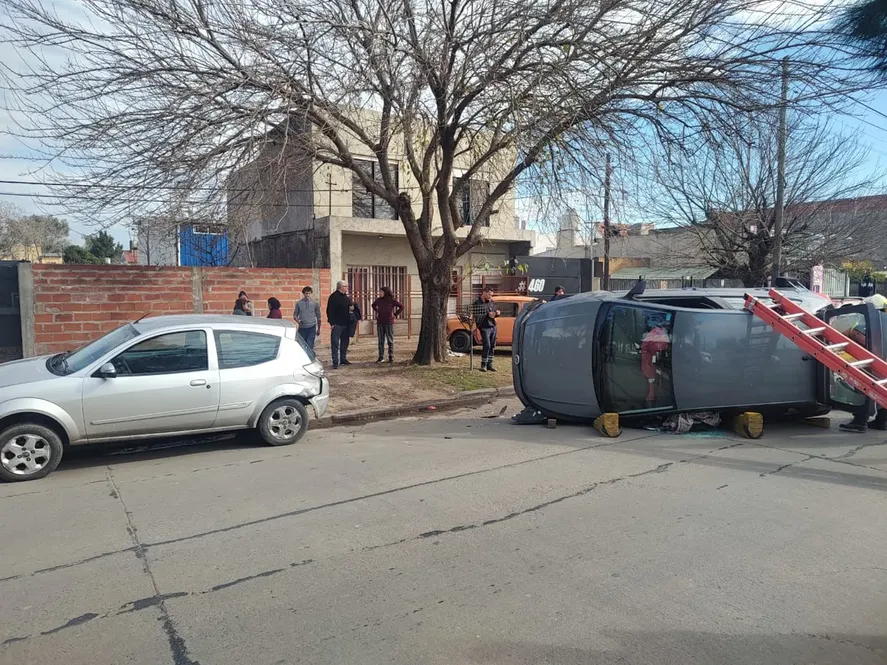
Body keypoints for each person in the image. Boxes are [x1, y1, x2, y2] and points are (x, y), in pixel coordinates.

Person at [372, 286, 403, 363]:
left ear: (385, 292)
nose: (380, 293)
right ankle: (381, 357)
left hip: (389, 323)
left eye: (381, 292)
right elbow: (373, 305)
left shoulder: (391, 300)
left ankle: (391, 357)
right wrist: (377, 311)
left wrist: (395, 314)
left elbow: (401, 307)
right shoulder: (379, 300)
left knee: (390, 340)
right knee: (380, 340)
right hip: (380, 323)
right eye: (380, 292)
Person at [472, 285, 500, 372]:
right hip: (484, 326)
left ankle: (490, 364)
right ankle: (483, 364)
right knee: (486, 345)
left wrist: (497, 313)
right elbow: (476, 316)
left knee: (492, 345)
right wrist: (488, 315)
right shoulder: (477, 302)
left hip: (493, 326)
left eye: (491, 295)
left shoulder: (491, 302)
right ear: (484, 292)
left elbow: (495, 311)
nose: (490, 297)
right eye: (489, 295)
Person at [327, 280, 353, 369]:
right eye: (345, 286)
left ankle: (343, 359)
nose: (347, 288)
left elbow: (350, 307)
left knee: (345, 342)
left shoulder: (346, 297)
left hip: (346, 324)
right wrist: (331, 322)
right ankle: (335, 361)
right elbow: (329, 310)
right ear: (340, 287)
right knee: (335, 343)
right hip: (337, 324)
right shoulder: (333, 297)